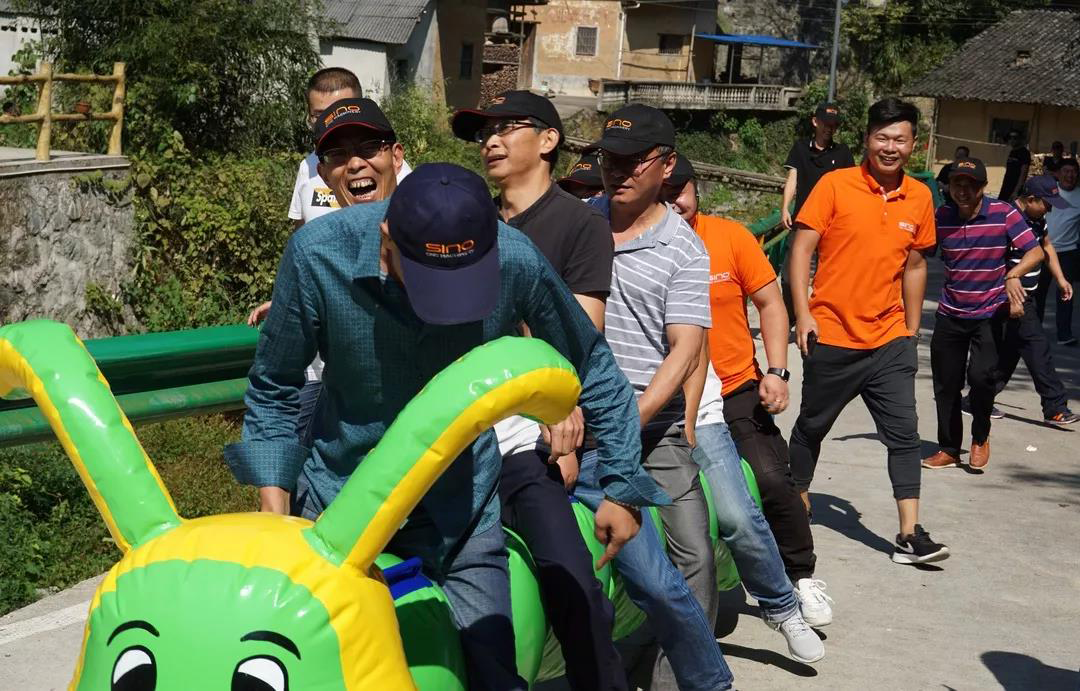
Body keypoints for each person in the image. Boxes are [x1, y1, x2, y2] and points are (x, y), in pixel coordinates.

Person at [224, 151, 671, 688]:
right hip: (340, 505)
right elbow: (274, 385)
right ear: (388, 238)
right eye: (432, 283)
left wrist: (622, 486)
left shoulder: (514, 258)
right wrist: (276, 514)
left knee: (491, 674)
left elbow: (592, 365)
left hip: (460, 510)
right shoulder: (319, 255)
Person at [590, 104, 823, 683]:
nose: (617, 171)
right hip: (582, 415)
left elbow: (691, 352)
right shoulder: (579, 223)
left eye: (632, 161)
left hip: (683, 410)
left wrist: (775, 372)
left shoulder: (698, 245)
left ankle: (780, 604)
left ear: (669, 169)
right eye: (608, 159)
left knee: (731, 519)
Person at [450, 90, 626, 690]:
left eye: (507, 128)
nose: (491, 141)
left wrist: (564, 423)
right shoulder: (463, 221)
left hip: (526, 434)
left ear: (549, 140)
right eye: (484, 132)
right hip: (450, 433)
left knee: (571, 578)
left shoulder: (580, 225)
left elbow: (576, 342)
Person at [662, 154, 832, 629]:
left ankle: (800, 575)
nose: (674, 201)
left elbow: (770, 304)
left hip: (734, 387)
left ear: (696, 190)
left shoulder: (730, 237)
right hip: (666, 392)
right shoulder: (638, 242)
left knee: (772, 478)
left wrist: (776, 371)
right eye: (664, 192)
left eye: (681, 190)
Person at [788, 97, 949, 566]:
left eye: (900, 139)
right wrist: (803, 313)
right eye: (882, 137)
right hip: (833, 335)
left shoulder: (919, 196)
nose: (890, 147)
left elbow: (915, 265)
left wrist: (911, 329)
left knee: (904, 434)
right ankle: (796, 502)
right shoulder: (835, 185)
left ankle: (909, 533)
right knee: (812, 426)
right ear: (866, 140)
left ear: (914, 144)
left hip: (889, 340)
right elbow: (801, 250)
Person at [246, 69, 413, 441]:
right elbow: (301, 246)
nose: (354, 163)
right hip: (326, 372)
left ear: (396, 157)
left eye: (367, 147)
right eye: (320, 116)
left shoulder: (422, 203)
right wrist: (294, 295)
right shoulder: (308, 176)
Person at [922, 158, 1043, 472]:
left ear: (982, 187)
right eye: (957, 184)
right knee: (946, 384)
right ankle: (949, 448)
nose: (962, 191)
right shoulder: (942, 216)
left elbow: (1035, 251)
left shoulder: (1003, 213)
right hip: (950, 313)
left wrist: (1013, 274)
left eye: (970, 185)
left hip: (989, 313)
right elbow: (919, 253)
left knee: (982, 378)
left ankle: (980, 435)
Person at [961, 176, 1078, 425]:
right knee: (1037, 348)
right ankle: (1055, 406)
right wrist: (1008, 291)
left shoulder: (1037, 219)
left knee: (1008, 354)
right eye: (1047, 204)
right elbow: (992, 259)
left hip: (1027, 296)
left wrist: (1060, 279)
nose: (1050, 209)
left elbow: (1047, 246)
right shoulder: (1005, 219)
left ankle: (977, 400)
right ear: (1031, 199)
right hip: (1009, 297)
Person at [780, 102, 856, 324]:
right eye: (825, 123)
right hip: (803, 219)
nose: (829, 128)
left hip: (833, 223)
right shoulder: (800, 148)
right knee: (789, 276)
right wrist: (785, 208)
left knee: (828, 276)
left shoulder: (843, 153)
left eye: (834, 125)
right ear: (815, 122)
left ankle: (822, 318)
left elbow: (850, 187)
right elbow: (792, 179)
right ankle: (792, 316)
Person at [1036, 157, 1080, 346]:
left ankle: (1064, 334)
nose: (1070, 175)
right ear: (1058, 174)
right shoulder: (1048, 191)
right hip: (1042, 250)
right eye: (1066, 171)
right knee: (1037, 293)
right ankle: (1034, 332)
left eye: (1073, 172)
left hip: (1068, 252)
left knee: (1066, 293)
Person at [999, 129, 1031, 202]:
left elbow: (1023, 174)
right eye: (1010, 138)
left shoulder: (1024, 153)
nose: (1012, 140)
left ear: (1020, 139)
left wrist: (1016, 191)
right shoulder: (1012, 152)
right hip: (1006, 186)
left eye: (1015, 138)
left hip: (1014, 189)